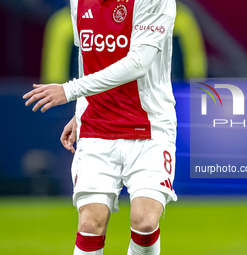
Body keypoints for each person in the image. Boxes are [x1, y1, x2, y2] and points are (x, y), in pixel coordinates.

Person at [23, 0, 177, 254]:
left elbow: (139, 63)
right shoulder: (78, 1)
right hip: (97, 128)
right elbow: (89, 59)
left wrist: (70, 90)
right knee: (90, 223)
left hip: (150, 127)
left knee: (146, 222)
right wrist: (81, 112)